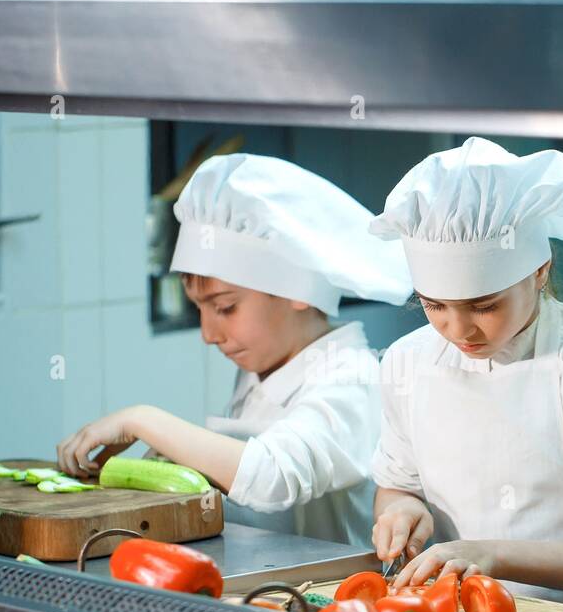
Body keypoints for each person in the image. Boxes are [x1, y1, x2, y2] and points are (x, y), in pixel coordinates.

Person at [369, 137, 563, 601]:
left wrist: (491, 555)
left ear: (539, 271)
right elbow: (397, 484)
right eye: (434, 305)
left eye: (483, 305)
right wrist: (400, 512)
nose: (459, 330)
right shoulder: (407, 360)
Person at [57, 153, 411, 547]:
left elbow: (272, 477)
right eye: (199, 309)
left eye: (225, 307)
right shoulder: (265, 368)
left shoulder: (352, 378)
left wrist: (142, 420)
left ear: (295, 289)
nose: (209, 334)